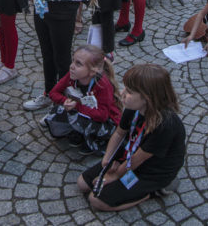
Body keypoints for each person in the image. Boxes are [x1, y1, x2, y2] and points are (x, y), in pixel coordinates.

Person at [77, 64, 185, 212]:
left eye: (129, 91)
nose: (122, 93)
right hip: (129, 155)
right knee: (82, 184)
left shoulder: (165, 125)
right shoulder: (133, 108)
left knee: (96, 200)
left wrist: (113, 176)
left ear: (147, 98)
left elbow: (138, 160)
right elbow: (119, 133)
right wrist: (107, 160)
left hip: (150, 172)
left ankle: (151, 193)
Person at [44, 45, 121, 153]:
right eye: (73, 61)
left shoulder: (102, 85)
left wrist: (77, 105)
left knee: (79, 118)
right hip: (83, 111)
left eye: (78, 64)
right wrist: (65, 101)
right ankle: (79, 133)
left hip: (106, 121)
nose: (72, 66)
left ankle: (96, 140)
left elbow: (102, 115)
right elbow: (53, 93)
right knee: (58, 111)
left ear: (92, 71)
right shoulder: (72, 75)